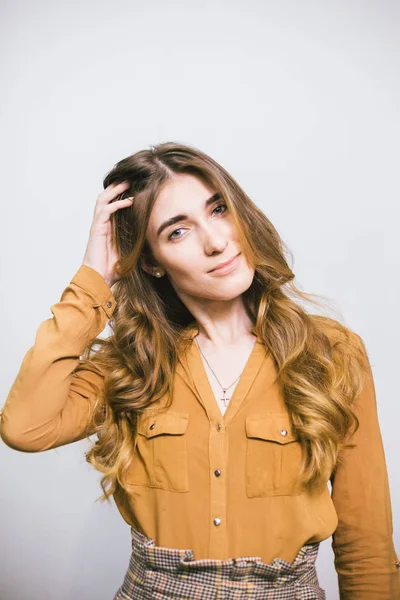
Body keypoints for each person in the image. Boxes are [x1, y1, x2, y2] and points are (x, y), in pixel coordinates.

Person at [1, 142, 399, 599]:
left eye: (218, 209)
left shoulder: (332, 352)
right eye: (177, 232)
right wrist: (95, 276)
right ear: (150, 261)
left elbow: (365, 541)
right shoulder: (130, 364)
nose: (216, 241)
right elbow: (25, 428)